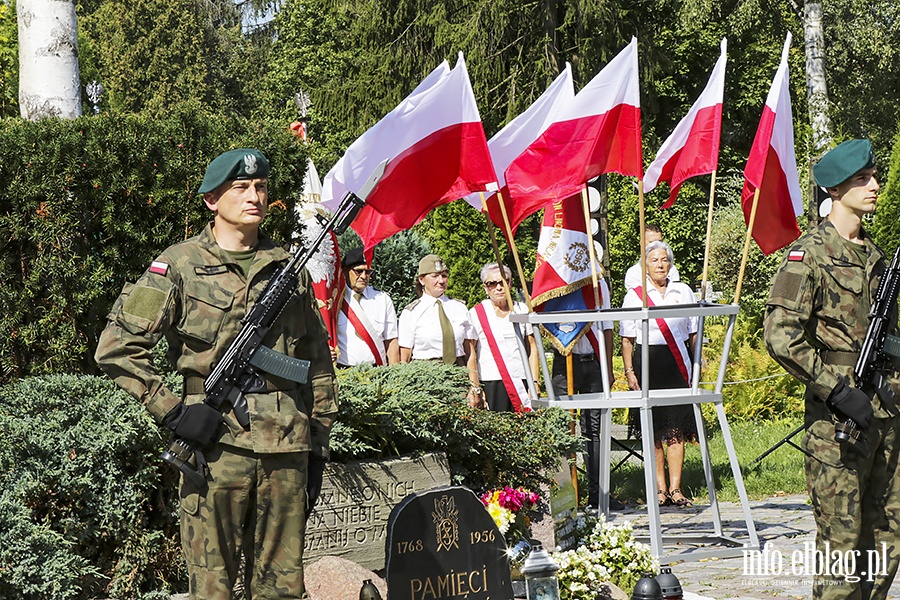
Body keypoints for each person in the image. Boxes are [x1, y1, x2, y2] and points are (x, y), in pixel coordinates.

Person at [95, 149, 337, 599]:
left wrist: (318, 444)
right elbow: (116, 349)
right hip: (215, 450)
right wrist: (173, 413)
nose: (254, 196)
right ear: (211, 199)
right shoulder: (178, 266)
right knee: (212, 588)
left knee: (282, 590)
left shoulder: (289, 269)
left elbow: (317, 364)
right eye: (240, 188)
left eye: (261, 187)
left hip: (285, 448)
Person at [764, 139, 900, 599]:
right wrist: (837, 390)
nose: (875, 186)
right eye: (863, 180)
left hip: (886, 417)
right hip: (837, 422)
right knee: (841, 551)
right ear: (837, 189)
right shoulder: (810, 255)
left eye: (873, 177)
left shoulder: (879, 258)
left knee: (886, 540)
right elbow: (781, 335)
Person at [620, 240, 698, 509]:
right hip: (647, 364)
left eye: (664, 259)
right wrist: (630, 372)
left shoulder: (683, 291)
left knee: (675, 430)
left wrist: (698, 364)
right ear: (645, 265)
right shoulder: (634, 295)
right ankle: (659, 490)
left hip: (676, 364)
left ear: (670, 263)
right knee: (652, 431)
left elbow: (693, 331)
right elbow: (627, 338)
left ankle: (676, 489)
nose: (660, 264)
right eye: (654, 260)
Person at [550, 275, 616, 511]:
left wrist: (607, 366)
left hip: (593, 363)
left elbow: (607, 327)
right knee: (561, 428)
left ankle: (598, 495)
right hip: (564, 362)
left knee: (594, 430)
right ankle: (564, 496)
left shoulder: (598, 284)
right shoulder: (557, 281)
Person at [465, 263, 540, 411]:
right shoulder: (476, 314)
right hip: (491, 381)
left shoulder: (522, 310)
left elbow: (532, 347)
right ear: (485, 288)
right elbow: (471, 353)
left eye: (503, 281)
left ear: (510, 284)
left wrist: (535, 382)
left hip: (521, 381)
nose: (499, 287)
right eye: (492, 284)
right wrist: (475, 387)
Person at [398, 254, 474, 365]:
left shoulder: (459, 308)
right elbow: (405, 356)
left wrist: (474, 381)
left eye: (444, 275)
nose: (441, 280)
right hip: (426, 372)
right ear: (421, 280)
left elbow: (470, 352)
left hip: (459, 370)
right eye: (435, 276)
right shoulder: (412, 312)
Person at [334, 247, 400, 367]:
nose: (364, 276)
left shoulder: (382, 299)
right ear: (345, 271)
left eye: (368, 272)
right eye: (359, 271)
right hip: (344, 371)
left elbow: (391, 341)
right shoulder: (335, 300)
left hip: (377, 370)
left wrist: (395, 376)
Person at [623, 223, 680, 290]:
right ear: (642, 243)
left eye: (659, 242)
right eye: (652, 242)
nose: (656, 245)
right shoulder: (634, 273)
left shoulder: (671, 270)